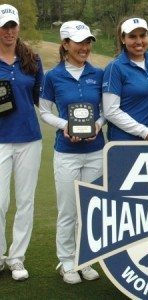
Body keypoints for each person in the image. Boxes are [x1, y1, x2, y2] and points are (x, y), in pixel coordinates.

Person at [39, 20, 105, 284]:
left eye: (88, 42)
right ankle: (66, 262)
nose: (85, 47)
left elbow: (105, 111)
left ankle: (84, 259)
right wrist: (65, 125)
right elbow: (44, 112)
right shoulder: (53, 77)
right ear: (66, 44)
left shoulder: (99, 74)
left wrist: (98, 126)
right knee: (68, 210)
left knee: (90, 209)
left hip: (95, 150)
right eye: (79, 42)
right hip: (66, 151)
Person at [0, 4, 43, 281]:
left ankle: (17, 258)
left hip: (29, 138)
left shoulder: (32, 59)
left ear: (18, 28)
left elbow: (42, 98)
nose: (9, 31)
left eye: (12, 25)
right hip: (0, 141)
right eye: (4, 26)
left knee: (25, 201)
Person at [102, 17, 148, 141]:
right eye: (132, 36)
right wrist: (143, 131)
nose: (139, 41)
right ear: (122, 39)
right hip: (124, 141)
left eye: (143, 35)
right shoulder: (115, 67)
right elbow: (110, 111)